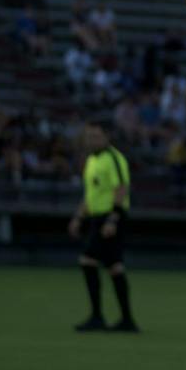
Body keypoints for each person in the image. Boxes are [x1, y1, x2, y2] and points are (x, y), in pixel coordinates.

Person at [68, 123, 138, 333]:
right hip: (97, 217)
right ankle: (127, 320)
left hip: (111, 217)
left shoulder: (114, 158)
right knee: (114, 266)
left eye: (96, 136)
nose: (92, 140)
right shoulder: (91, 161)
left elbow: (122, 188)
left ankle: (97, 316)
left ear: (107, 137)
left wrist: (113, 219)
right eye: (89, 136)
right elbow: (91, 194)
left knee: (88, 259)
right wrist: (79, 217)